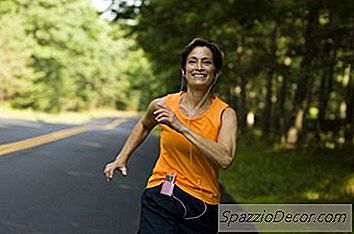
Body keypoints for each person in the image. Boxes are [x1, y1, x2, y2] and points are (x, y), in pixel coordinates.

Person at [104, 38, 237, 234]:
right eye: (192, 61)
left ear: (216, 72)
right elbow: (144, 124)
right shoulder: (164, 105)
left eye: (206, 62)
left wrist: (181, 126)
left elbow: (225, 158)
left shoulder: (225, 114)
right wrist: (121, 158)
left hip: (202, 204)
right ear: (184, 70)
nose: (199, 67)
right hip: (162, 191)